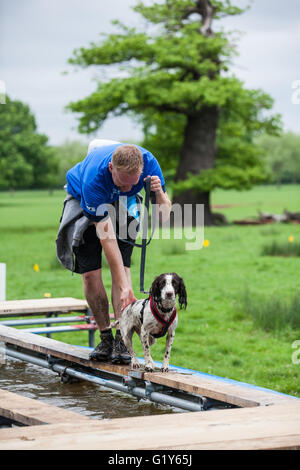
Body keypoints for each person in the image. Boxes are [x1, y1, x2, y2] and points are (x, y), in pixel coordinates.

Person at [64, 139, 171, 364]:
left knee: (123, 268)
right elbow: (108, 239)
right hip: (84, 200)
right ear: (112, 168)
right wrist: (124, 288)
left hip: (125, 205)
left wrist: (159, 192)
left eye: (132, 184)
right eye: (122, 183)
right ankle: (105, 337)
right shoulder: (94, 179)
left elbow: (165, 217)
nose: (126, 187)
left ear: (142, 170)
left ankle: (122, 340)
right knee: (91, 273)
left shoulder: (149, 164)